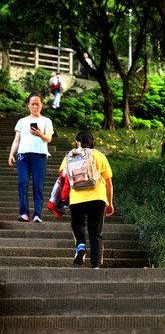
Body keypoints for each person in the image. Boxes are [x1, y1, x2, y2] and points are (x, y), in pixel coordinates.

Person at [59, 131, 114, 269]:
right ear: (93, 142)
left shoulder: (70, 155)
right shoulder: (99, 155)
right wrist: (110, 203)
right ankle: (95, 265)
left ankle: (81, 245)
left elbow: (64, 175)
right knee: (95, 231)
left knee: (78, 224)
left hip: (77, 198)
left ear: (77, 142)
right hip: (98, 197)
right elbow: (109, 183)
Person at [8, 93, 54, 223]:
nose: (35, 106)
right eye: (32, 103)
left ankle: (37, 214)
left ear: (42, 105)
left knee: (38, 186)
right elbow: (17, 140)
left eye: (37, 104)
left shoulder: (46, 121)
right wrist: (12, 154)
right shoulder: (22, 121)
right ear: (28, 105)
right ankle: (24, 213)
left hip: (39, 156)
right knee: (23, 183)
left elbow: (49, 139)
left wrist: (40, 134)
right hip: (23, 156)